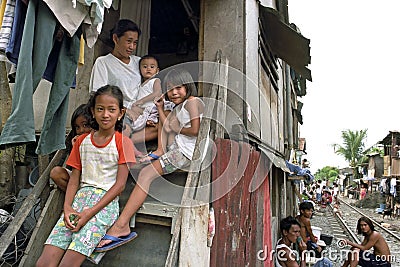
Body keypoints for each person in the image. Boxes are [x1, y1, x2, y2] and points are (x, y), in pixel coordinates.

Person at [95, 68, 205, 251]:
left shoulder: (192, 102)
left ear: (188, 87)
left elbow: (195, 131)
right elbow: (168, 127)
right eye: (170, 89)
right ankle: (159, 151)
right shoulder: (179, 107)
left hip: (186, 152)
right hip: (178, 149)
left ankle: (121, 225)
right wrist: (161, 108)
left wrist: (176, 128)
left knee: (145, 174)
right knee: (144, 170)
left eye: (178, 87)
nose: (174, 92)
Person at [36, 85, 136, 267]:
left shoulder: (123, 142)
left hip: (103, 207)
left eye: (111, 110)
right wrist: (67, 208)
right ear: (93, 111)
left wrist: (90, 212)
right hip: (78, 201)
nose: (105, 114)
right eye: (100, 109)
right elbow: (74, 179)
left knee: (68, 263)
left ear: (120, 113)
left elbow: (120, 185)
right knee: (44, 262)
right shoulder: (82, 142)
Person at [89, 19, 158, 145]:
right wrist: (126, 110)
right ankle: (123, 142)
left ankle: (124, 142)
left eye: (135, 43)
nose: (132, 47)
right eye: (128, 41)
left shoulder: (140, 62)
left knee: (161, 126)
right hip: (119, 114)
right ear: (115, 38)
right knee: (124, 126)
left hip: (141, 111)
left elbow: (151, 84)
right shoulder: (103, 62)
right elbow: (98, 96)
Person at [123, 55, 174, 140]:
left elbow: (158, 92)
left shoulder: (155, 80)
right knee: (133, 111)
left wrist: (142, 101)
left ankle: (150, 120)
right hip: (146, 110)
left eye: (152, 67)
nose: (148, 69)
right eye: (145, 67)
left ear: (157, 71)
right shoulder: (141, 84)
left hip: (154, 107)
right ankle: (147, 121)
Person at [49, 104, 92, 191]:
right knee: (56, 173)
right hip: (80, 179)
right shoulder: (76, 142)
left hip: (97, 182)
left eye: (85, 125)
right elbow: (76, 169)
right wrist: (76, 148)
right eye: (77, 127)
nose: (81, 130)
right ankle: (78, 196)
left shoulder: (101, 141)